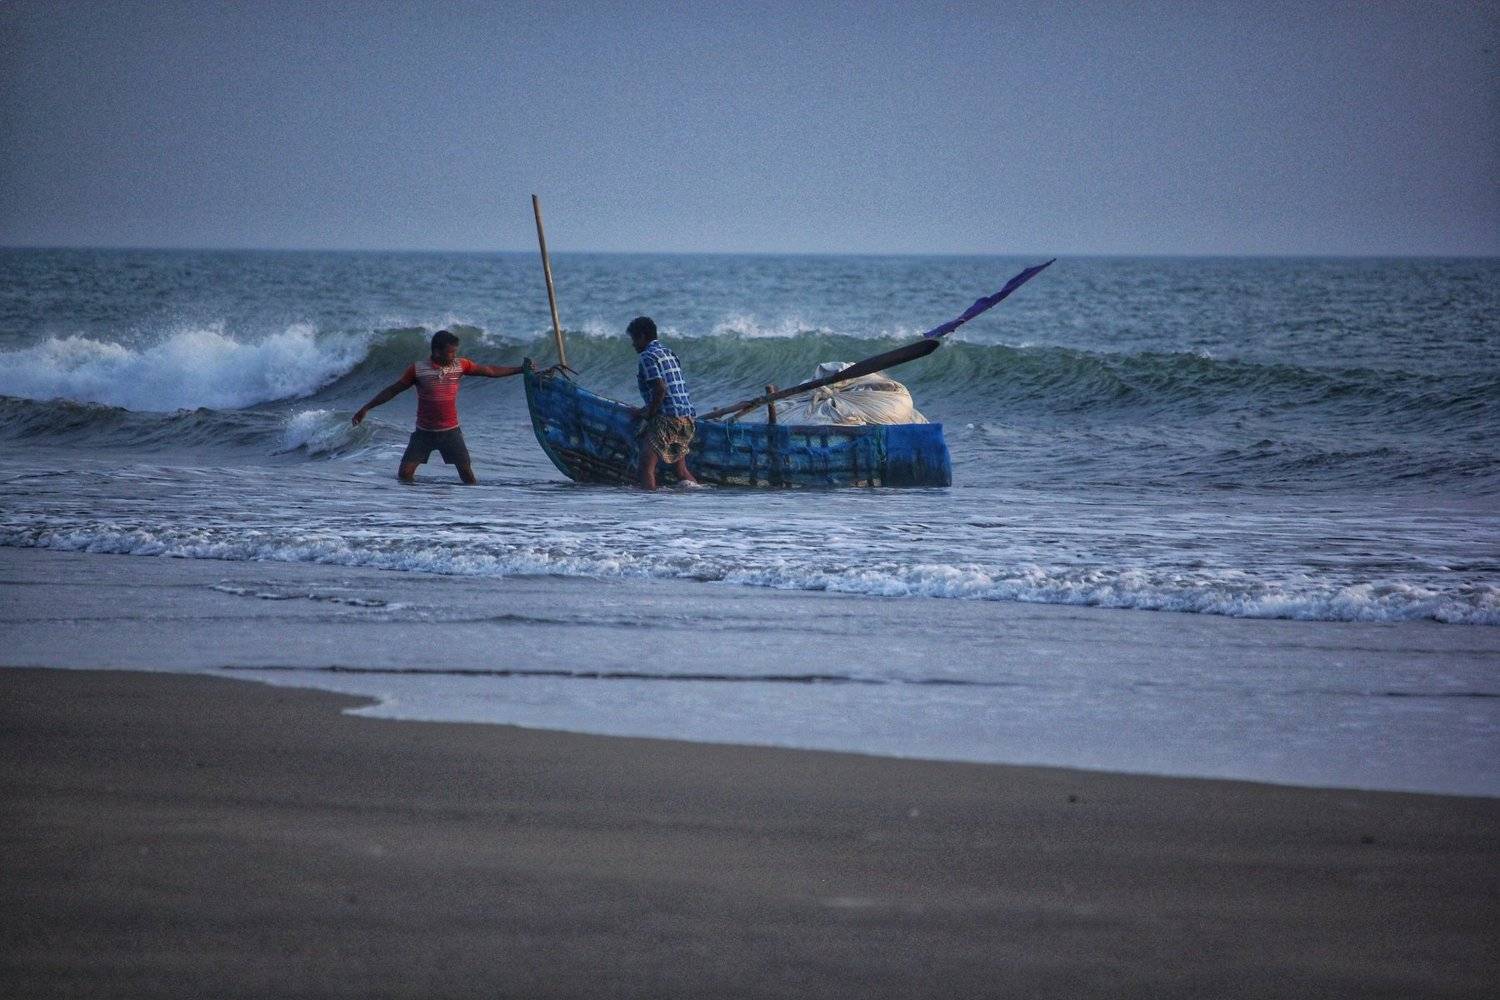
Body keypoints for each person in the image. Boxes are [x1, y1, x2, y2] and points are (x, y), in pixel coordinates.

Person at [351, 329, 521, 484]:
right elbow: (393, 390)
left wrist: (520, 369)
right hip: (424, 433)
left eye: (455, 352)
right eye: (450, 352)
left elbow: (490, 371)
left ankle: (469, 506)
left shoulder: (460, 365)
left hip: (451, 432)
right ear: (437, 352)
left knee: (468, 477)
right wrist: (366, 407)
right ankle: (415, 505)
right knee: (404, 475)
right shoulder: (418, 370)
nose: (454, 356)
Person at [626, 316, 699, 490]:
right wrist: (644, 410)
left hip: (667, 420)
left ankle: (649, 504)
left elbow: (660, 389)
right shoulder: (668, 352)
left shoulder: (647, 356)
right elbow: (671, 390)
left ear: (642, 336)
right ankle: (698, 497)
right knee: (680, 470)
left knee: (645, 466)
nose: (633, 344)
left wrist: (647, 414)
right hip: (686, 419)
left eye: (634, 339)